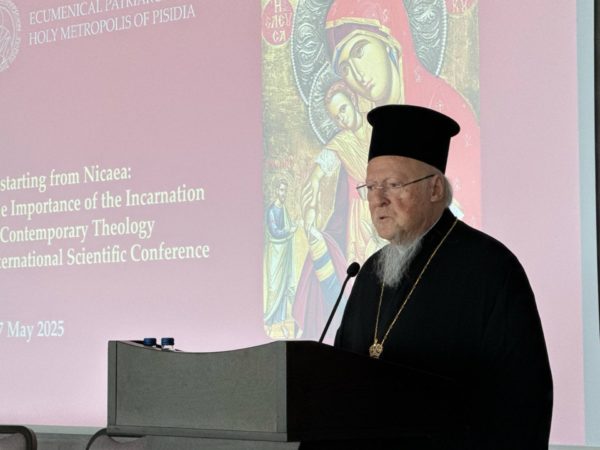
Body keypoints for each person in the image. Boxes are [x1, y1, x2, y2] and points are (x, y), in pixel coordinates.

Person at [334, 104, 553, 449]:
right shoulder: (368, 276)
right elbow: (337, 381)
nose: (378, 200)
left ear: (435, 189)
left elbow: (522, 401)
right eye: (371, 187)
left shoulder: (490, 269)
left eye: (393, 184)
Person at [264, 179, 297, 338]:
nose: (284, 193)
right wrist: (289, 231)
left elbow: (286, 227)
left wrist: (292, 228)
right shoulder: (271, 210)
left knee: (283, 288)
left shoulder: (284, 209)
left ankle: (282, 323)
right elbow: (275, 231)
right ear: (277, 191)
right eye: (281, 190)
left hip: (284, 252)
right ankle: (269, 323)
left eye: (285, 190)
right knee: (274, 287)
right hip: (275, 252)